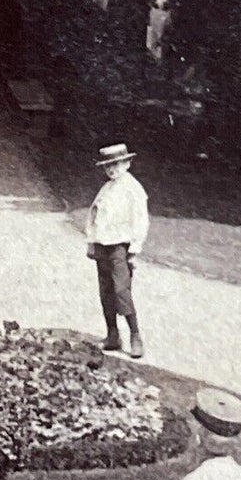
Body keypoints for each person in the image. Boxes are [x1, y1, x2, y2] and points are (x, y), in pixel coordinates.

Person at [84, 143, 149, 357]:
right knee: (106, 289)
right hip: (103, 244)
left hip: (120, 246)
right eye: (107, 167)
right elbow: (94, 215)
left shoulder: (133, 189)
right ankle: (112, 334)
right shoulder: (107, 189)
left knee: (122, 289)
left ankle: (135, 335)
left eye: (116, 164)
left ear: (127, 163)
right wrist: (92, 241)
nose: (112, 170)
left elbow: (140, 220)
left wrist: (134, 248)